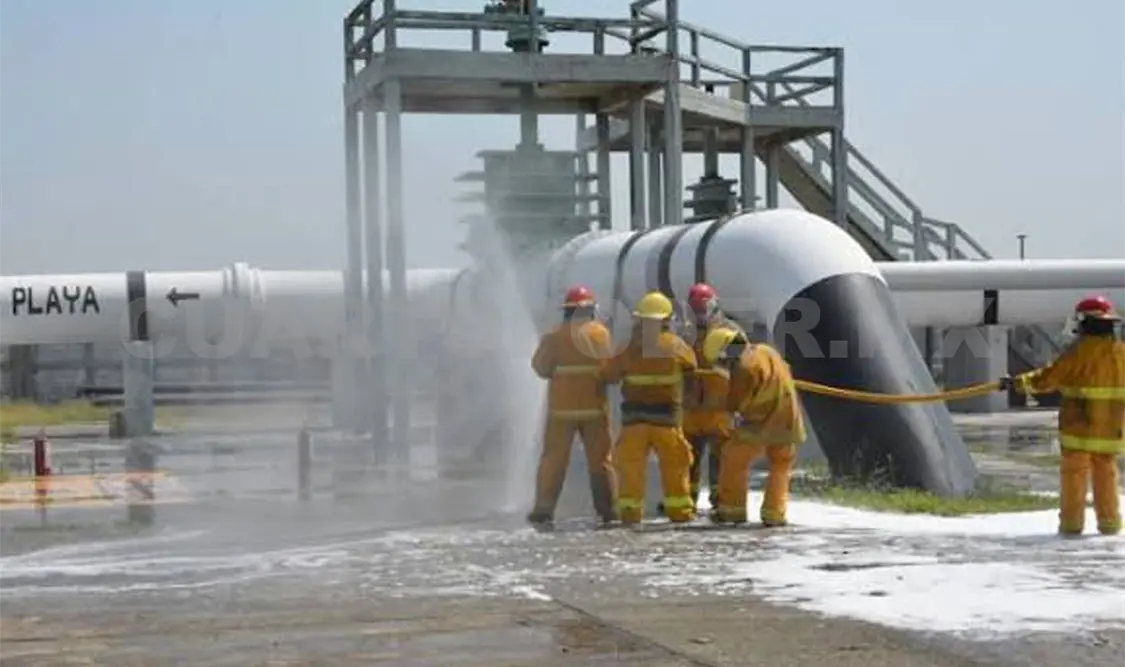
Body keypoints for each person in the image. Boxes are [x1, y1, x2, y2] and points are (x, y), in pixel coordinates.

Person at [1007, 295, 1125, 536]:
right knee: (1106, 474)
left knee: (1074, 476)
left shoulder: (1077, 353)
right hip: (1110, 431)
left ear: (1083, 322)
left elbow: (1048, 378)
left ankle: (1072, 525)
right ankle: (1110, 524)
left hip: (1077, 430)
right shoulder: (1121, 354)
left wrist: (1019, 383)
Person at [602, 291, 698, 525]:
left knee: (631, 471)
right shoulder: (676, 346)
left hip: (634, 421)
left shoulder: (630, 347)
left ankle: (631, 515)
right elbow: (692, 367)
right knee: (675, 469)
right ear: (666, 319)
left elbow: (609, 375)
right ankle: (680, 515)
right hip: (667, 421)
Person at [527, 285, 617, 527]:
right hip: (594, 408)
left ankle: (543, 509)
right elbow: (609, 369)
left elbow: (541, 368)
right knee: (601, 460)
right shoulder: (601, 334)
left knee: (553, 459)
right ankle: (608, 509)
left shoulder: (554, 336)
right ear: (590, 310)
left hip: (561, 411)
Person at [702, 327, 806, 527]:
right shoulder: (766, 351)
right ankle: (774, 514)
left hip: (760, 422)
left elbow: (735, 402)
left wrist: (730, 414)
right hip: (788, 419)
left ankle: (732, 510)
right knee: (780, 465)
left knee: (733, 457)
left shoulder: (743, 368)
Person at [681, 283, 743, 512]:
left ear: (713, 306)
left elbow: (743, 366)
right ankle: (686, 501)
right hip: (692, 409)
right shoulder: (686, 333)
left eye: (701, 309)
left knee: (722, 460)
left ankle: (721, 501)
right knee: (688, 460)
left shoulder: (730, 331)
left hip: (721, 409)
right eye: (695, 310)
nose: (699, 315)